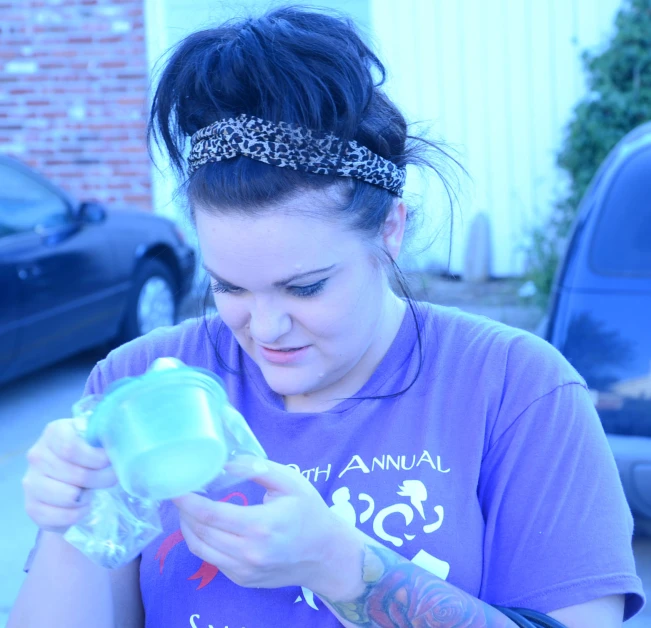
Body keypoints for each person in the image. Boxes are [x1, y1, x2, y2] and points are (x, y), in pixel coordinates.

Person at [9, 6, 644, 628]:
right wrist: (71, 519)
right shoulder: (145, 385)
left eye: (305, 288)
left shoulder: (516, 388)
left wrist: (344, 568)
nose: (265, 329)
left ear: (390, 228)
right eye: (227, 286)